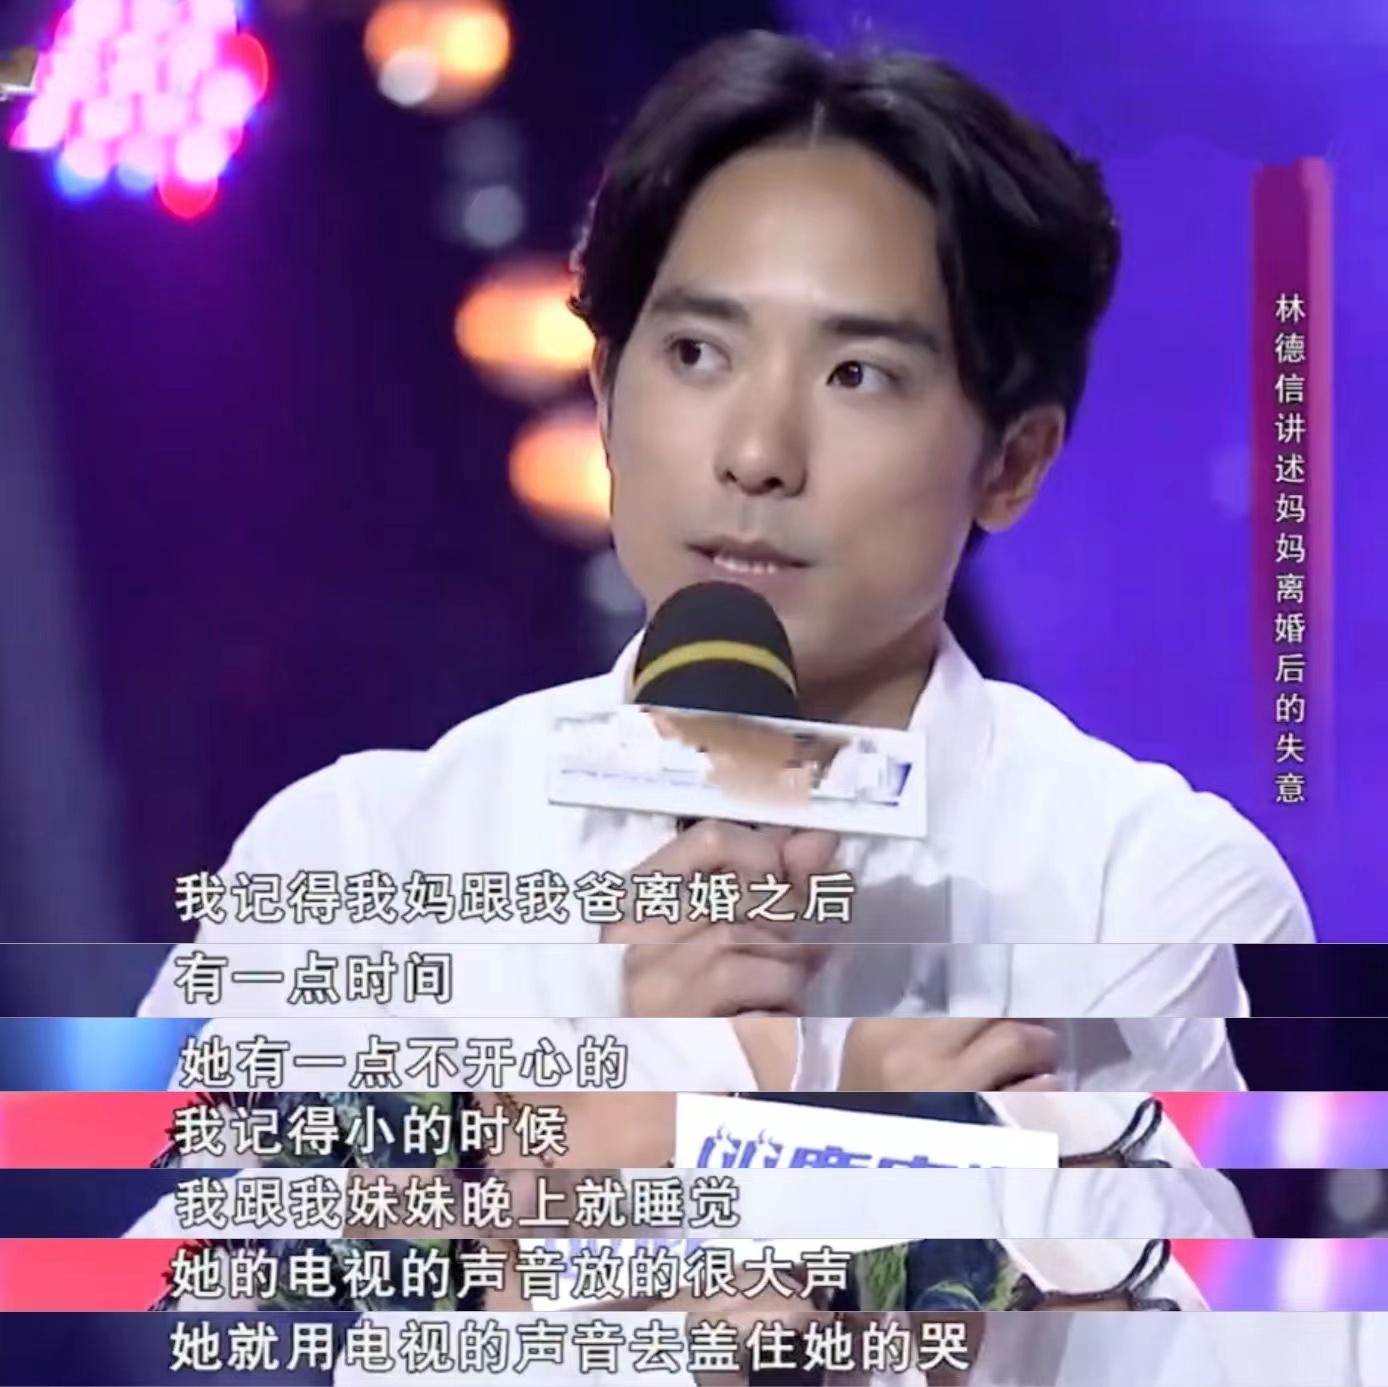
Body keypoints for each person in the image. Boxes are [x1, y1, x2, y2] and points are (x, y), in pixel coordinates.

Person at [134, 26, 1316, 1384]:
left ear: (1013, 461)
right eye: (697, 353)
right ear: (604, 390)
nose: (756, 454)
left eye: (858, 374)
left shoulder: (1151, 888)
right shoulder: (370, 854)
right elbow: (200, 1322)